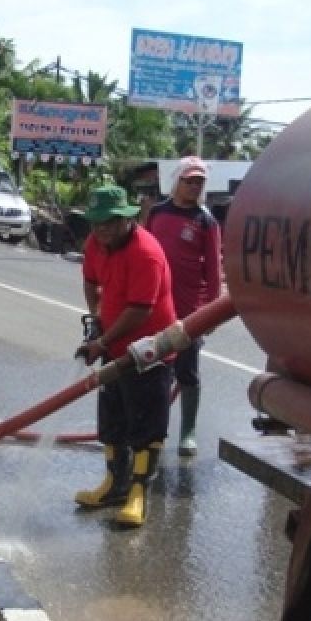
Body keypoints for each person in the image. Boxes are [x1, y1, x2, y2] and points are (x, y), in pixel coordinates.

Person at [74, 184, 177, 528]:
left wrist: (102, 342)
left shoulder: (145, 253)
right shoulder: (95, 244)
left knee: (146, 425)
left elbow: (140, 311)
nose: (101, 230)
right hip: (113, 344)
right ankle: (114, 485)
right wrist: (97, 321)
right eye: (96, 223)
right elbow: (90, 280)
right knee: (113, 417)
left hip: (150, 349)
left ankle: (138, 495)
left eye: (108, 223)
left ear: (125, 219)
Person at [145, 156, 223, 457]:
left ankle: (187, 431)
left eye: (199, 182)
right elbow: (144, 252)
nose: (193, 187)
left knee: (187, 371)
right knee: (152, 368)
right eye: (189, 181)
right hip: (153, 305)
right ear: (177, 181)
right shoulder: (158, 213)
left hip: (189, 310)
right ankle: (154, 429)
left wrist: (211, 313)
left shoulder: (206, 222)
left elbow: (214, 272)